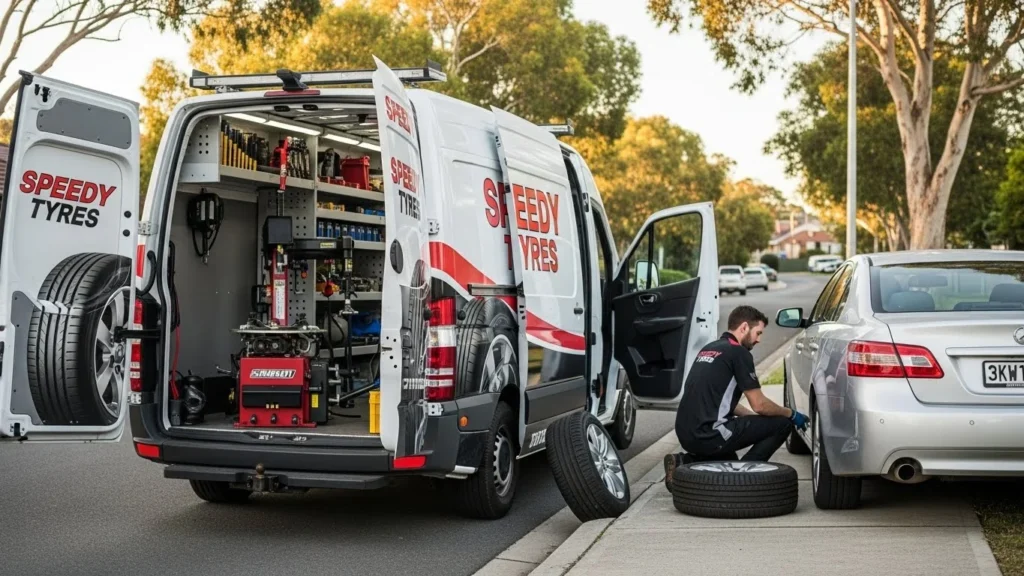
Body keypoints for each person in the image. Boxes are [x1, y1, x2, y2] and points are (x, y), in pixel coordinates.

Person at [663, 305, 809, 489]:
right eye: (758, 333)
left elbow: (720, 401)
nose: (759, 340)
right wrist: (791, 414)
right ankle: (742, 478)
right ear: (744, 327)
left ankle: (684, 462)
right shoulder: (739, 353)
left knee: (727, 458)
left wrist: (755, 421)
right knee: (781, 424)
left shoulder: (710, 348)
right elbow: (760, 405)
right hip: (710, 435)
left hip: (687, 434)